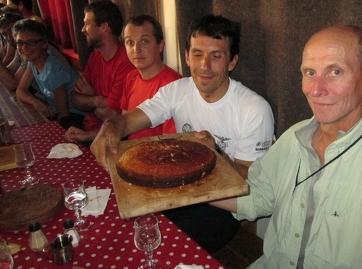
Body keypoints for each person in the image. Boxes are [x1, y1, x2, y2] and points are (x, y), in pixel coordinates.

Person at [210, 25, 362, 269]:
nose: (316, 90)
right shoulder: (292, 139)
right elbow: (257, 196)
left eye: (335, 72)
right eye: (310, 72)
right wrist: (187, 189)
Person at [91, 14, 275, 253]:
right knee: (128, 228)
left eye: (216, 56)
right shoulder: (177, 90)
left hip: (221, 205)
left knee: (163, 246)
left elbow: (251, 179)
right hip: (178, 188)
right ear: (187, 56)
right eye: (197, 54)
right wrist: (111, 127)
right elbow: (128, 122)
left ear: (232, 61)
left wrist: (216, 154)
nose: (204, 66)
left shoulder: (254, 109)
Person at [66, 0, 134, 143]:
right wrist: (97, 100)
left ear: (103, 27)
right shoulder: (95, 56)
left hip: (108, 136)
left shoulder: (125, 63)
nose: (83, 29)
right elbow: (74, 98)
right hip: (88, 127)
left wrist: (90, 96)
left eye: (87, 24)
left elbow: (112, 116)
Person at [13, 19, 85, 129]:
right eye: (20, 43)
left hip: (76, 117)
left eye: (31, 42)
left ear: (44, 44)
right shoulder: (33, 62)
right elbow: (20, 91)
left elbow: (64, 114)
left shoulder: (55, 70)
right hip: (57, 113)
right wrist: (36, 102)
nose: (24, 47)